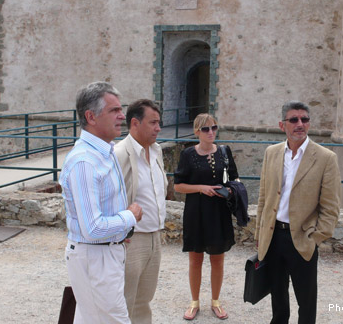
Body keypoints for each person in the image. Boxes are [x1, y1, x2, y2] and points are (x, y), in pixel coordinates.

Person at [60, 81, 142, 323]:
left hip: (104, 254)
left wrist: (122, 229)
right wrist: (130, 216)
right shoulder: (85, 161)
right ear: (91, 117)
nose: (122, 115)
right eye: (114, 110)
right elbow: (93, 228)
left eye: (121, 109)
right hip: (95, 258)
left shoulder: (105, 151)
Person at [255, 101, 341, 324]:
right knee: (278, 298)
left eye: (305, 119)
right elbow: (264, 198)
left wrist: (315, 238)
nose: (300, 124)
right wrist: (260, 234)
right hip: (273, 236)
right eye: (294, 120)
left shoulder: (325, 158)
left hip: (303, 238)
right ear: (282, 124)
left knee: (306, 300)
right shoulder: (271, 153)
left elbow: (331, 207)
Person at [173, 113, 239, 321]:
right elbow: (178, 185)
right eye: (205, 129)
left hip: (219, 212)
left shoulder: (225, 152)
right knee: (195, 260)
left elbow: (235, 178)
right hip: (196, 212)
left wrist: (230, 190)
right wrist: (201, 188)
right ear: (196, 132)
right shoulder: (188, 154)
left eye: (214, 128)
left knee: (218, 260)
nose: (211, 132)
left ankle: (216, 302)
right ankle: (194, 302)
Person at [114, 99, 167, 324]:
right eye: (153, 122)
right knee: (124, 301)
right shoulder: (119, 154)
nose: (158, 128)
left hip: (155, 236)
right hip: (132, 241)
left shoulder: (156, 151)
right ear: (135, 123)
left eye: (159, 122)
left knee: (144, 300)